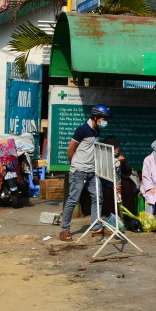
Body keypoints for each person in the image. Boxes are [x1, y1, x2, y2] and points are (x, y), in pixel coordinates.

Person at [59, 104, 110, 242]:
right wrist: (75, 165)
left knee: (98, 198)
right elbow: (70, 149)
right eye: (103, 118)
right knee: (73, 200)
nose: (105, 121)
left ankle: (96, 227)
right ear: (95, 117)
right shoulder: (82, 130)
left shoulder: (97, 131)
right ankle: (65, 229)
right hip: (79, 171)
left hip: (92, 172)